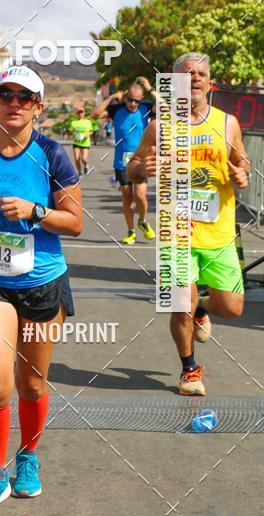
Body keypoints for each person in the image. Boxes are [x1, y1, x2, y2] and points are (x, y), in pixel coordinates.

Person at [0, 65, 82, 516]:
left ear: (37, 107)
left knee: (33, 382)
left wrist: (34, 210)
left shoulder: (52, 155)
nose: (14, 103)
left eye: (25, 97)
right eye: (5, 94)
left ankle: (28, 456)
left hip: (42, 281)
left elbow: (75, 222)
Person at [127, 53, 250, 396]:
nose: (194, 78)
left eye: (200, 73)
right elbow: (133, 167)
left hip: (219, 231)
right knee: (180, 301)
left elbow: (243, 160)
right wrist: (141, 169)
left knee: (232, 308)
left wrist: (242, 172)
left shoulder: (227, 123)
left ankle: (201, 308)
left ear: (210, 82)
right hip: (176, 232)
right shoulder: (160, 127)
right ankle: (189, 370)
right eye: (186, 74)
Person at [93, 78, 156, 244]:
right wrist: (111, 97)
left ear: (141, 100)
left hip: (140, 159)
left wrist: (149, 89)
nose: (133, 104)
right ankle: (131, 231)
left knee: (140, 196)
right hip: (121, 162)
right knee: (127, 196)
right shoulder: (116, 110)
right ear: (125, 97)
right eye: (130, 100)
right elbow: (95, 114)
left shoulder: (146, 108)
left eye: (137, 101)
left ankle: (143, 221)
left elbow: (166, 106)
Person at [68, 106, 93, 176]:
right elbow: (69, 132)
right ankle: (80, 172)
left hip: (85, 143)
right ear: (77, 114)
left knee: (84, 159)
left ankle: (86, 165)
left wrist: (87, 135)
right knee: (77, 159)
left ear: (84, 113)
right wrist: (72, 132)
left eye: (81, 112)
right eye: (79, 112)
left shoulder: (88, 122)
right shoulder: (74, 122)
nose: (80, 114)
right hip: (76, 143)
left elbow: (91, 131)